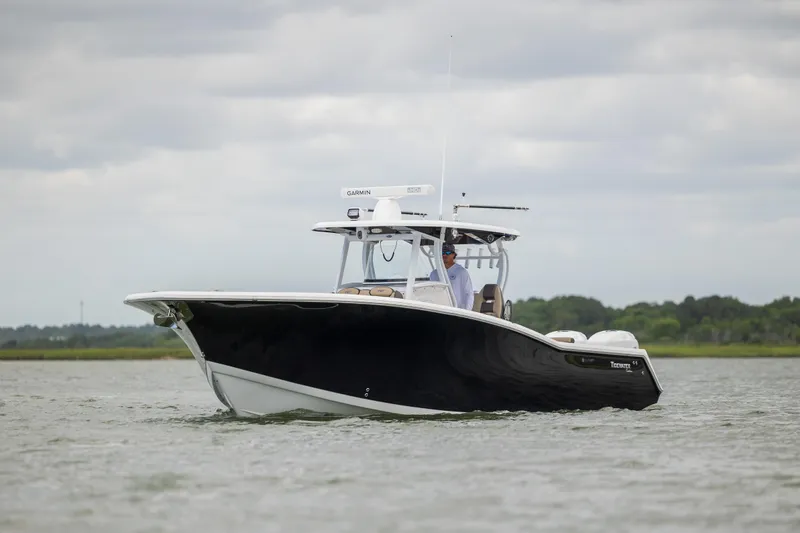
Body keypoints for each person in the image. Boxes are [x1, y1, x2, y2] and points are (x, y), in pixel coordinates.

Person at [430, 243, 474, 310]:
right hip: (439, 311)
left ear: (453, 255)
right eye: (442, 253)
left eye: (447, 252)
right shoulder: (434, 274)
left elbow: (469, 293)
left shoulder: (461, 272)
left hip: (457, 311)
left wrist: (467, 312)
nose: (444, 255)